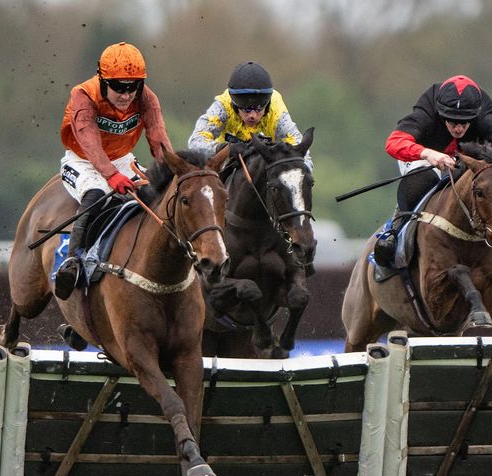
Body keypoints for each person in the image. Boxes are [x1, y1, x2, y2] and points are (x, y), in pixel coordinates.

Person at [53, 41, 173, 300]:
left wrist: (173, 172)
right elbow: (90, 143)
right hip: (82, 160)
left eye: (133, 87)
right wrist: (111, 175)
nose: (126, 94)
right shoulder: (83, 95)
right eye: (118, 87)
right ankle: (72, 261)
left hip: (121, 159)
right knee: (96, 193)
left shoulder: (147, 98)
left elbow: (159, 139)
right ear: (102, 79)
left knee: (156, 193)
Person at [373, 74, 492, 267]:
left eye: (465, 122)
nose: (459, 128)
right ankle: (396, 230)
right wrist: (428, 154)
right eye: (452, 121)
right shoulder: (428, 107)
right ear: (441, 113)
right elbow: (394, 143)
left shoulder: (484, 114)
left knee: (488, 187)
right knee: (422, 179)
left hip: (465, 161)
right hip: (423, 158)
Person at [188, 61, 312, 172]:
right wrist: (224, 149)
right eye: (245, 108)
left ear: (267, 102)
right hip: (226, 165)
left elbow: (302, 152)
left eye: (259, 108)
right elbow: (195, 142)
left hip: (263, 169)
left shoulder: (277, 112)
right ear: (234, 102)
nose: (252, 115)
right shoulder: (222, 107)